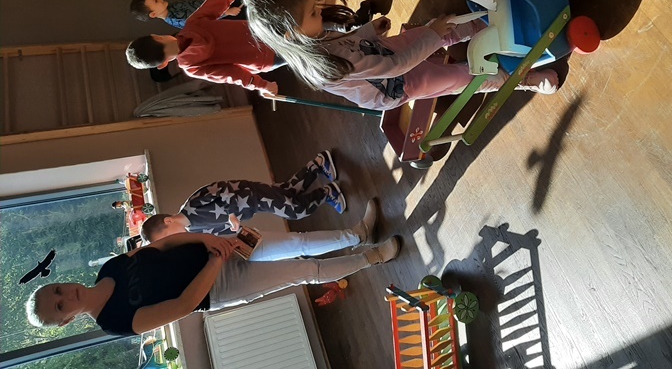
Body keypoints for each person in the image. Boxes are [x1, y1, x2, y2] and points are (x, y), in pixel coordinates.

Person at [241, 0, 559, 111]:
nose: (320, 12)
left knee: (432, 33)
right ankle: (520, 80)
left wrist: (368, 31)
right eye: (313, 12)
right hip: (397, 84)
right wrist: (433, 35)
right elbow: (396, 67)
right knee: (458, 77)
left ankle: (485, 24)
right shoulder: (326, 67)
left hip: (382, 56)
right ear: (291, 34)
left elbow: (349, 42)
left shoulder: (311, 36)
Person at [26, 226, 400, 336]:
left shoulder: (108, 268)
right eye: (60, 306)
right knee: (305, 270)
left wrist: (207, 241)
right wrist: (214, 263)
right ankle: (371, 257)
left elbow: (164, 244)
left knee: (295, 242)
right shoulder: (115, 322)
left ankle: (359, 233)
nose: (66, 295)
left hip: (217, 250)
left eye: (57, 290)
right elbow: (183, 306)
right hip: (219, 284)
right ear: (66, 320)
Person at [125, 0, 281, 98]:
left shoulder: (193, 69)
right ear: (157, 37)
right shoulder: (193, 24)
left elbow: (233, 75)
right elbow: (218, 1)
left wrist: (263, 85)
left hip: (265, 58)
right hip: (264, 30)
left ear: (163, 64)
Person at [140, 150, 353, 245]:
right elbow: (223, 230)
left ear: (168, 221)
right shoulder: (194, 230)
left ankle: (327, 192)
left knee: (295, 210)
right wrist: (236, 231)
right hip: (252, 207)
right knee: (289, 192)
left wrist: (231, 213)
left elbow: (221, 189)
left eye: (167, 236)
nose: (172, 239)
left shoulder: (193, 204)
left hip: (251, 194)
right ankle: (318, 163)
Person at [129, 0, 241, 29]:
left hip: (215, 4)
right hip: (221, 14)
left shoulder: (171, 6)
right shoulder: (177, 19)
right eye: (156, 1)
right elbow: (203, 19)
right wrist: (227, 12)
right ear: (153, 14)